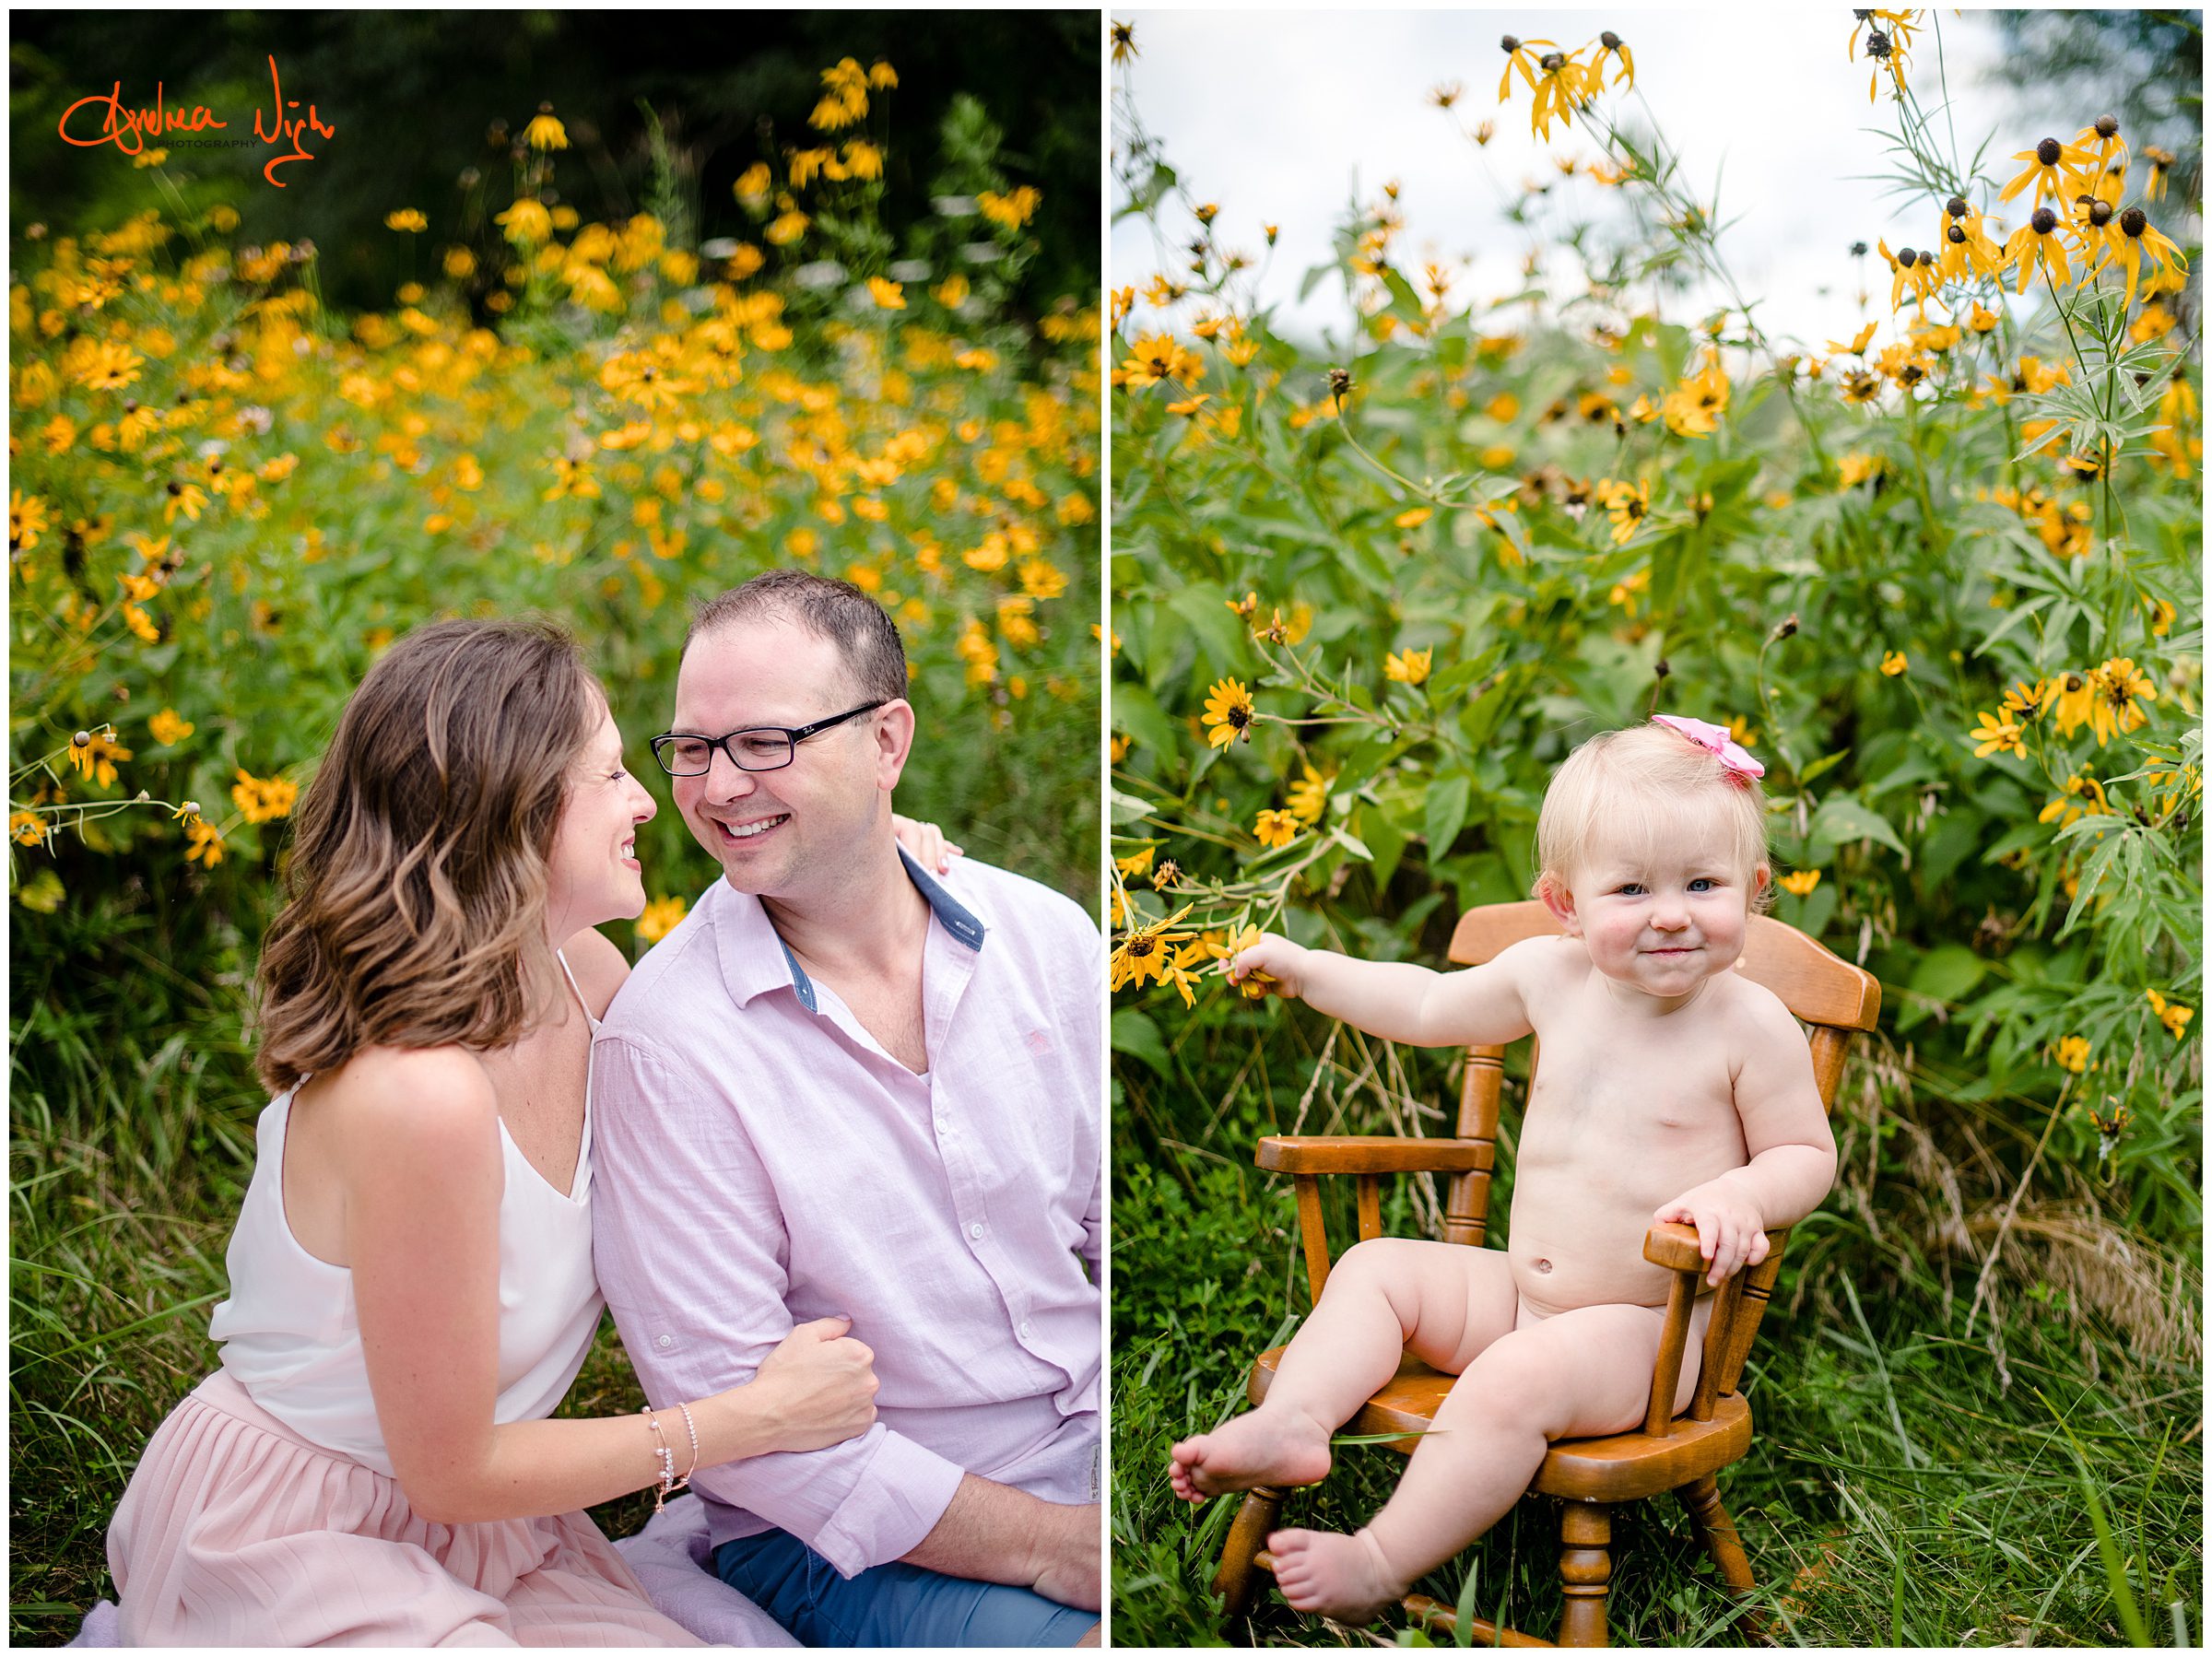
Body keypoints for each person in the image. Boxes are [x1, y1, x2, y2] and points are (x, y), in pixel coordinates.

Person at [102, 618, 932, 1646]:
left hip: (488, 1525)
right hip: (298, 1525)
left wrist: (868, 864)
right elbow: (450, 1470)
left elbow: (749, 1040)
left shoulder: (585, 978)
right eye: (613, 773)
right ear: (514, 812)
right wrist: (753, 1420)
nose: (645, 803)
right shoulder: (422, 1097)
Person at [1168, 714, 1838, 1626]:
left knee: (1516, 1377)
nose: (1673, 911)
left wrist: (1741, 1193)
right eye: (1633, 887)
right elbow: (1425, 999)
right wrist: (1307, 968)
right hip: (1521, 1295)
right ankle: (1299, 1421)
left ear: (1756, 892)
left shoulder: (1747, 1023)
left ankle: (1378, 1558)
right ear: (1566, 905)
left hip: (1650, 1337)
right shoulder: (1549, 977)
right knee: (1378, 1271)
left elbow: (1807, 1155)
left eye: (1704, 883)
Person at [590, 570, 1105, 1648]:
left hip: (1098, 1444)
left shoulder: (1046, 939)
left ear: (887, 741)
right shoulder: (670, 1044)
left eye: (765, 741)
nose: (720, 785)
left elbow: (1111, 1239)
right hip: (844, 1538)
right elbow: (753, 1431)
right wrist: (1059, 1546)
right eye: (692, 747)